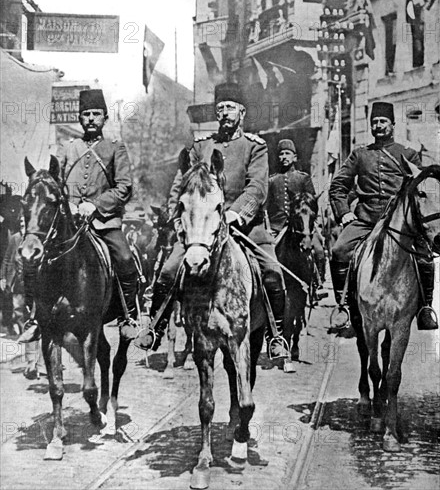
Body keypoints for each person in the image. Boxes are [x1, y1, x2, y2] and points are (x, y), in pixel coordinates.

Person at [144, 82, 289, 358]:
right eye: (220, 108)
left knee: (272, 271)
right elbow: (181, 187)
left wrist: (235, 214)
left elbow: (257, 188)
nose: (224, 113)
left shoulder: (255, 147)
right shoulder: (201, 147)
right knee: (168, 270)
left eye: (230, 108)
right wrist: (178, 219)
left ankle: (276, 335)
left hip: (246, 226)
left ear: (242, 112)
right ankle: (155, 327)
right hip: (201, 229)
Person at [20, 89, 139, 342]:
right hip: (71, 224)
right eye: (86, 114)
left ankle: (129, 316)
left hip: (105, 222)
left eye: (96, 114)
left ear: (105, 118)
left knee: (126, 258)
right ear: (80, 119)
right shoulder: (68, 148)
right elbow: (56, 183)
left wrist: (95, 205)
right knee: (40, 261)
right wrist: (70, 205)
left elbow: (124, 187)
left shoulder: (115, 148)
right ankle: (35, 318)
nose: (91, 119)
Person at [329, 101, 437, 330]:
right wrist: (344, 213)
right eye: (374, 122)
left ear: (392, 124)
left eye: (382, 122)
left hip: (400, 223)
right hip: (367, 219)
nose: (378, 126)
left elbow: (421, 186)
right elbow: (338, 185)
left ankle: (425, 308)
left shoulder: (408, 154)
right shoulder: (360, 155)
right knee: (339, 250)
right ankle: (344, 306)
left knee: (425, 257)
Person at [267, 139, 326, 282]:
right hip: (276, 227)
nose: (284, 157)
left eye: (288, 153)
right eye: (281, 154)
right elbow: (267, 207)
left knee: (318, 251)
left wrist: (312, 225)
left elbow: (312, 203)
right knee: (266, 254)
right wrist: (268, 227)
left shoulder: (303, 178)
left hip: (302, 227)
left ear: (294, 157)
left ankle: (317, 283)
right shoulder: (272, 180)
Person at [0, 217, 41, 376]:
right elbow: (7, 259)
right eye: (22, 222)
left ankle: (33, 354)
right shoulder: (16, 238)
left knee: (33, 316)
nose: (24, 224)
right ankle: (28, 346)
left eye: (26, 222)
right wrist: (3, 277)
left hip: (33, 284)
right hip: (17, 283)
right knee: (18, 312)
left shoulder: (37, 240)